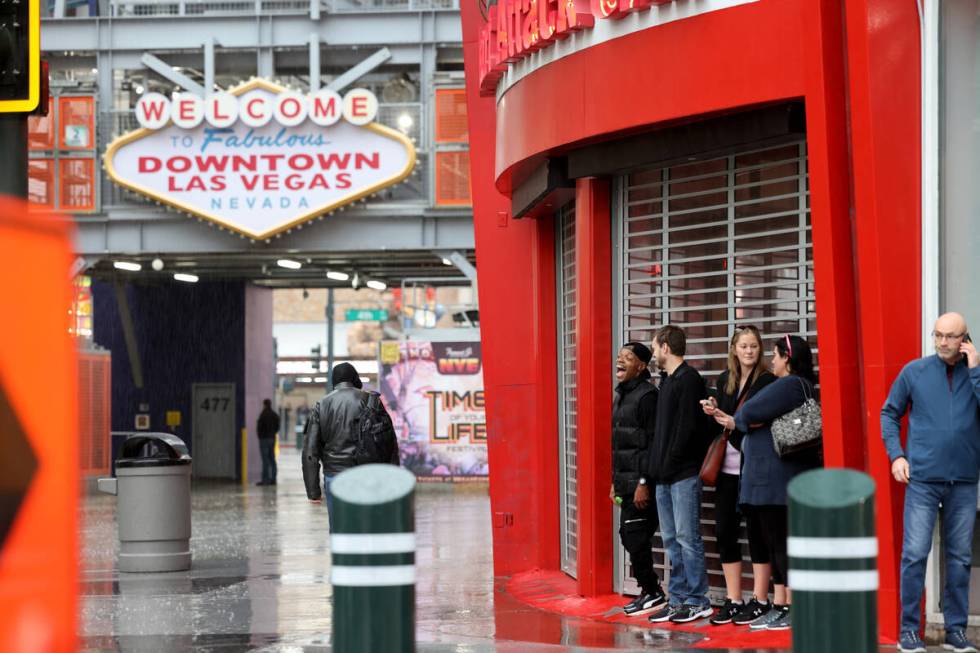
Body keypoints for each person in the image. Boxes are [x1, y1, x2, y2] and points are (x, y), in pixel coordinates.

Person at [881, 312, 980, 653]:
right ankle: (909, 631)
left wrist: (976, 369)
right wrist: (897, 455)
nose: (941, 342)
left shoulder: (976, 374)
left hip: (964, 480)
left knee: (960, 558)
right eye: (937, 335)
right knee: (914, 555)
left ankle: (955, 631)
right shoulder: (915, 372)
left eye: (950, 337)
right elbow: (889, 413)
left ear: (965, 339)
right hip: (922, 479)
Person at [713, 334, 820, 632]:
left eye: (774, 355)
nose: (771, 361)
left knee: (782, 545)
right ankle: (782, 603)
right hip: (773, 480)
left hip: (777, 481)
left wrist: (751, 418)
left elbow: (748, 412)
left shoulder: (789, 384)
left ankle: (793, 607)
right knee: (776, 545)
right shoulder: (793, 385)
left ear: (787, 357)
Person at [700, 326, 776, 625]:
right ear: (734, 349)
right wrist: (713, 410)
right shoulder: (724, 380)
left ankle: (760, 599)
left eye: (754, 346)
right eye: (743, 346)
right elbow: (721, 423)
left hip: (754, 468)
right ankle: (734, 598)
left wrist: (734, 422)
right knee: (725, 533)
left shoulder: (768, 381)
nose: (748, 351)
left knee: (758, 535)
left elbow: (764, 422)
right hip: (726, 469)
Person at [644, 325, 713, 625]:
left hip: (683, 474)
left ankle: (698, 600)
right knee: (672, 539)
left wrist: (670, 462)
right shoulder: (668, 381)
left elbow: (689, 429)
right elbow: (661, 433)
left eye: (655, 347)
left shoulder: (689, 379)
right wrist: (654, 471)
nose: (653, 352)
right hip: (664, 476)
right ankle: (678, 598)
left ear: (666, 347)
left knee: (688, 538)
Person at [611, 342, 666, 616]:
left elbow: (653, 443)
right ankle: (650, 590)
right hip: (627, 482)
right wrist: (615, 483)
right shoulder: (622, 394)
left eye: (628, 358)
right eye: (620, 356)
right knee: (629, 535)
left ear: (642, 366)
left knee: (634, 536)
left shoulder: (647, 397)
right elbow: (621, 444)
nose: (620, 361)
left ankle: (653, 592)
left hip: (643, 483)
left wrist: (644, 482)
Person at [302, 363, 373, 526]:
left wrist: (313, 490)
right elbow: (387, 440)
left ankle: (341, 551)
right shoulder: (370, 400)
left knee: (339, 528)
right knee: (365, 527)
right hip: (366, 476)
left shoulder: (322, 404)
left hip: (334, 477)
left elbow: (310, 450)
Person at [256, 399, 280, 486]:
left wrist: (260, 436)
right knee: (272, 459)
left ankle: (265, 480)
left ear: (264, 405)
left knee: (265, 460)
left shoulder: (263, 415)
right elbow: (278, 427)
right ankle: (273, 479)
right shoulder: (274, 415)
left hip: (264, 439)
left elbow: (259, 427)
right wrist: (273, 433)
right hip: (272, 439)